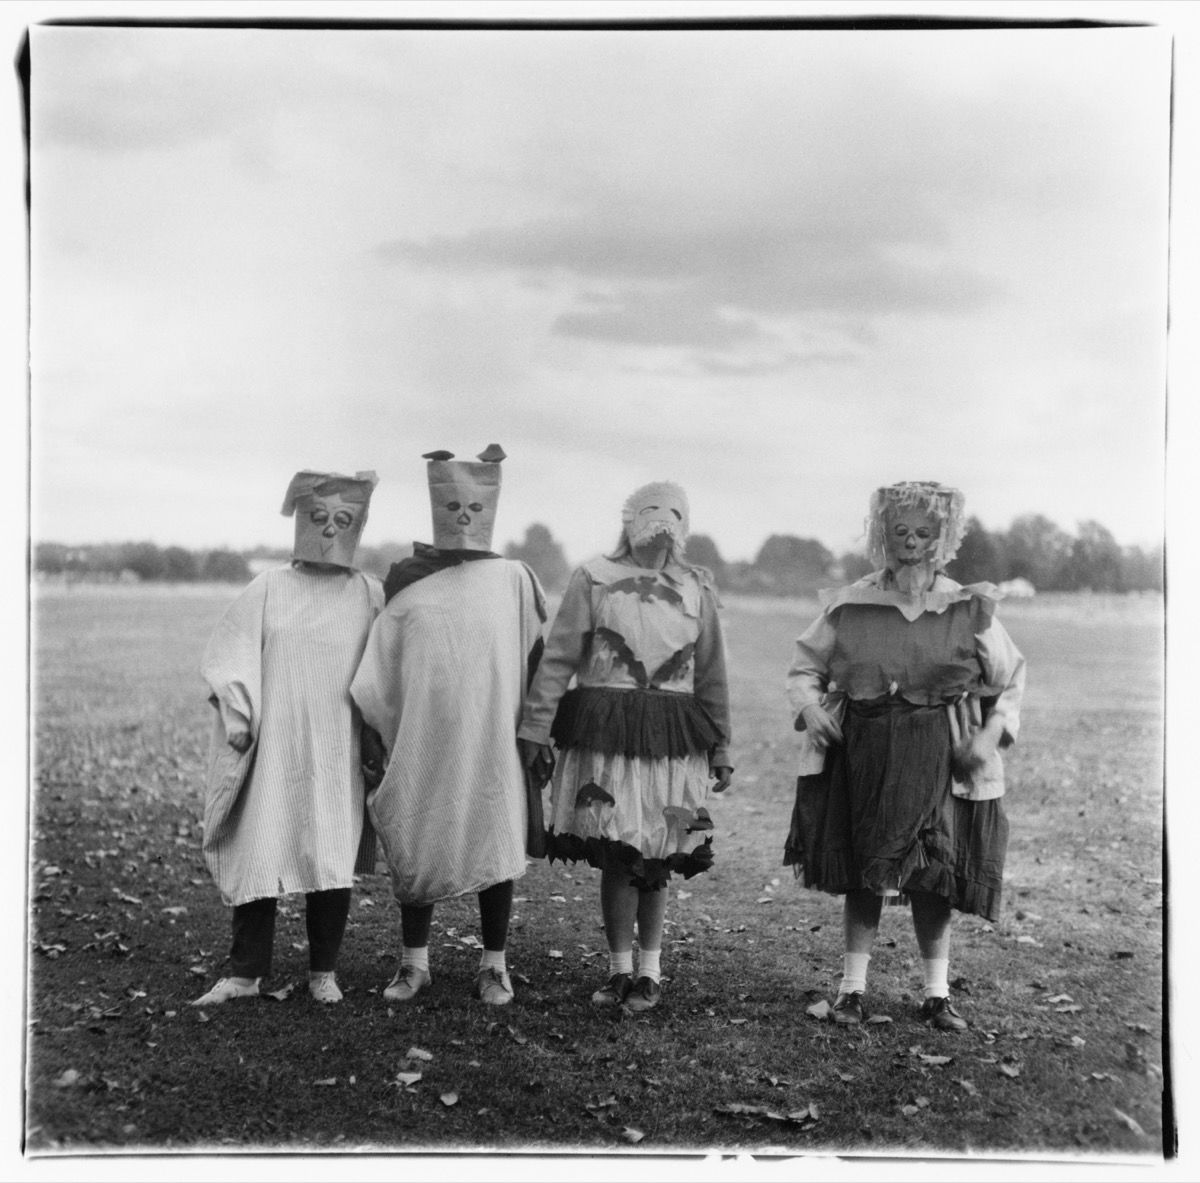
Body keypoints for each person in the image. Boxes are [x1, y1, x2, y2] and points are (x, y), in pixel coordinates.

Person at [784, 481, 1025, 1031]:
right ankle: (851, 990)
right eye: (900, 531)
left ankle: (937, 995)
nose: (911, 543)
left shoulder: (967, 606)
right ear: (882, 535)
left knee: (933, 873)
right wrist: (811, 707)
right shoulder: (852, 603)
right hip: (866, 751)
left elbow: (1009, 678)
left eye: (924, 532)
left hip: (939, 755)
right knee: (865, 871)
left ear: (943, 538)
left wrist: (989, 735)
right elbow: (804, 668)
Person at [518, 482, 733, 1013]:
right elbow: (559, 658)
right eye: (650, 513)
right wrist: (536, 727)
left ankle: (650, 972)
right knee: (619, 848)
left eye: (673, 515)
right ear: (630, 520)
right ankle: (618, 969)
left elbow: (711, 674)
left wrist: (721, 746)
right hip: (608, 731)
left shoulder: (696, 588)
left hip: (671, 736)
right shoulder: (594, 578)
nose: (661, 524)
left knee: (658, 850)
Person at [350, 445, 546, 1007]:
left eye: (474, 507)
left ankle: (495, 966)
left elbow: (534, 655)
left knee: (494, 834)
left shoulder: (512, 579)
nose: (463, 516)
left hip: (491, 734)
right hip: (422, 732)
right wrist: (376, 729)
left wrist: (536, 729)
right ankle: (414, 963)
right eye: (453, 505)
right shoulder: (407, 579)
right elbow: (384, 657)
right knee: (417, 829)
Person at [193, 470, 383, 1007]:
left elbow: (384, 668)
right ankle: (245, 973)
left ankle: (324, 971)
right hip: (275, 744)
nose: (329, 529)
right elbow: (231, 652)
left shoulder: (368, 594)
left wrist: (376, 736)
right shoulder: (269, 587)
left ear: (358, 524)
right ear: (301, 519)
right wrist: (239, 715)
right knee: (261, 844)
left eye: (342, 519)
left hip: (337, 746)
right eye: (319, 517)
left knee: (330, 851)